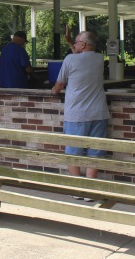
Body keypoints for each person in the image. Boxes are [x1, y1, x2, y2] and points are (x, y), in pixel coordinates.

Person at [51, 31, 109, 179]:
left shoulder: (70, 59)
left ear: (82, 45)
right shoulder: (99, 58)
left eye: (76, 42)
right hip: (99, 113)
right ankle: (90, 188)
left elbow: (59, 85)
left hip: (77, 114)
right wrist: (71, 42)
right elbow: (81, 58)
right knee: (95, 153)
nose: (74, 45)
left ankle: (78, 187)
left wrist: (54, 90)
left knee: (73, 152)